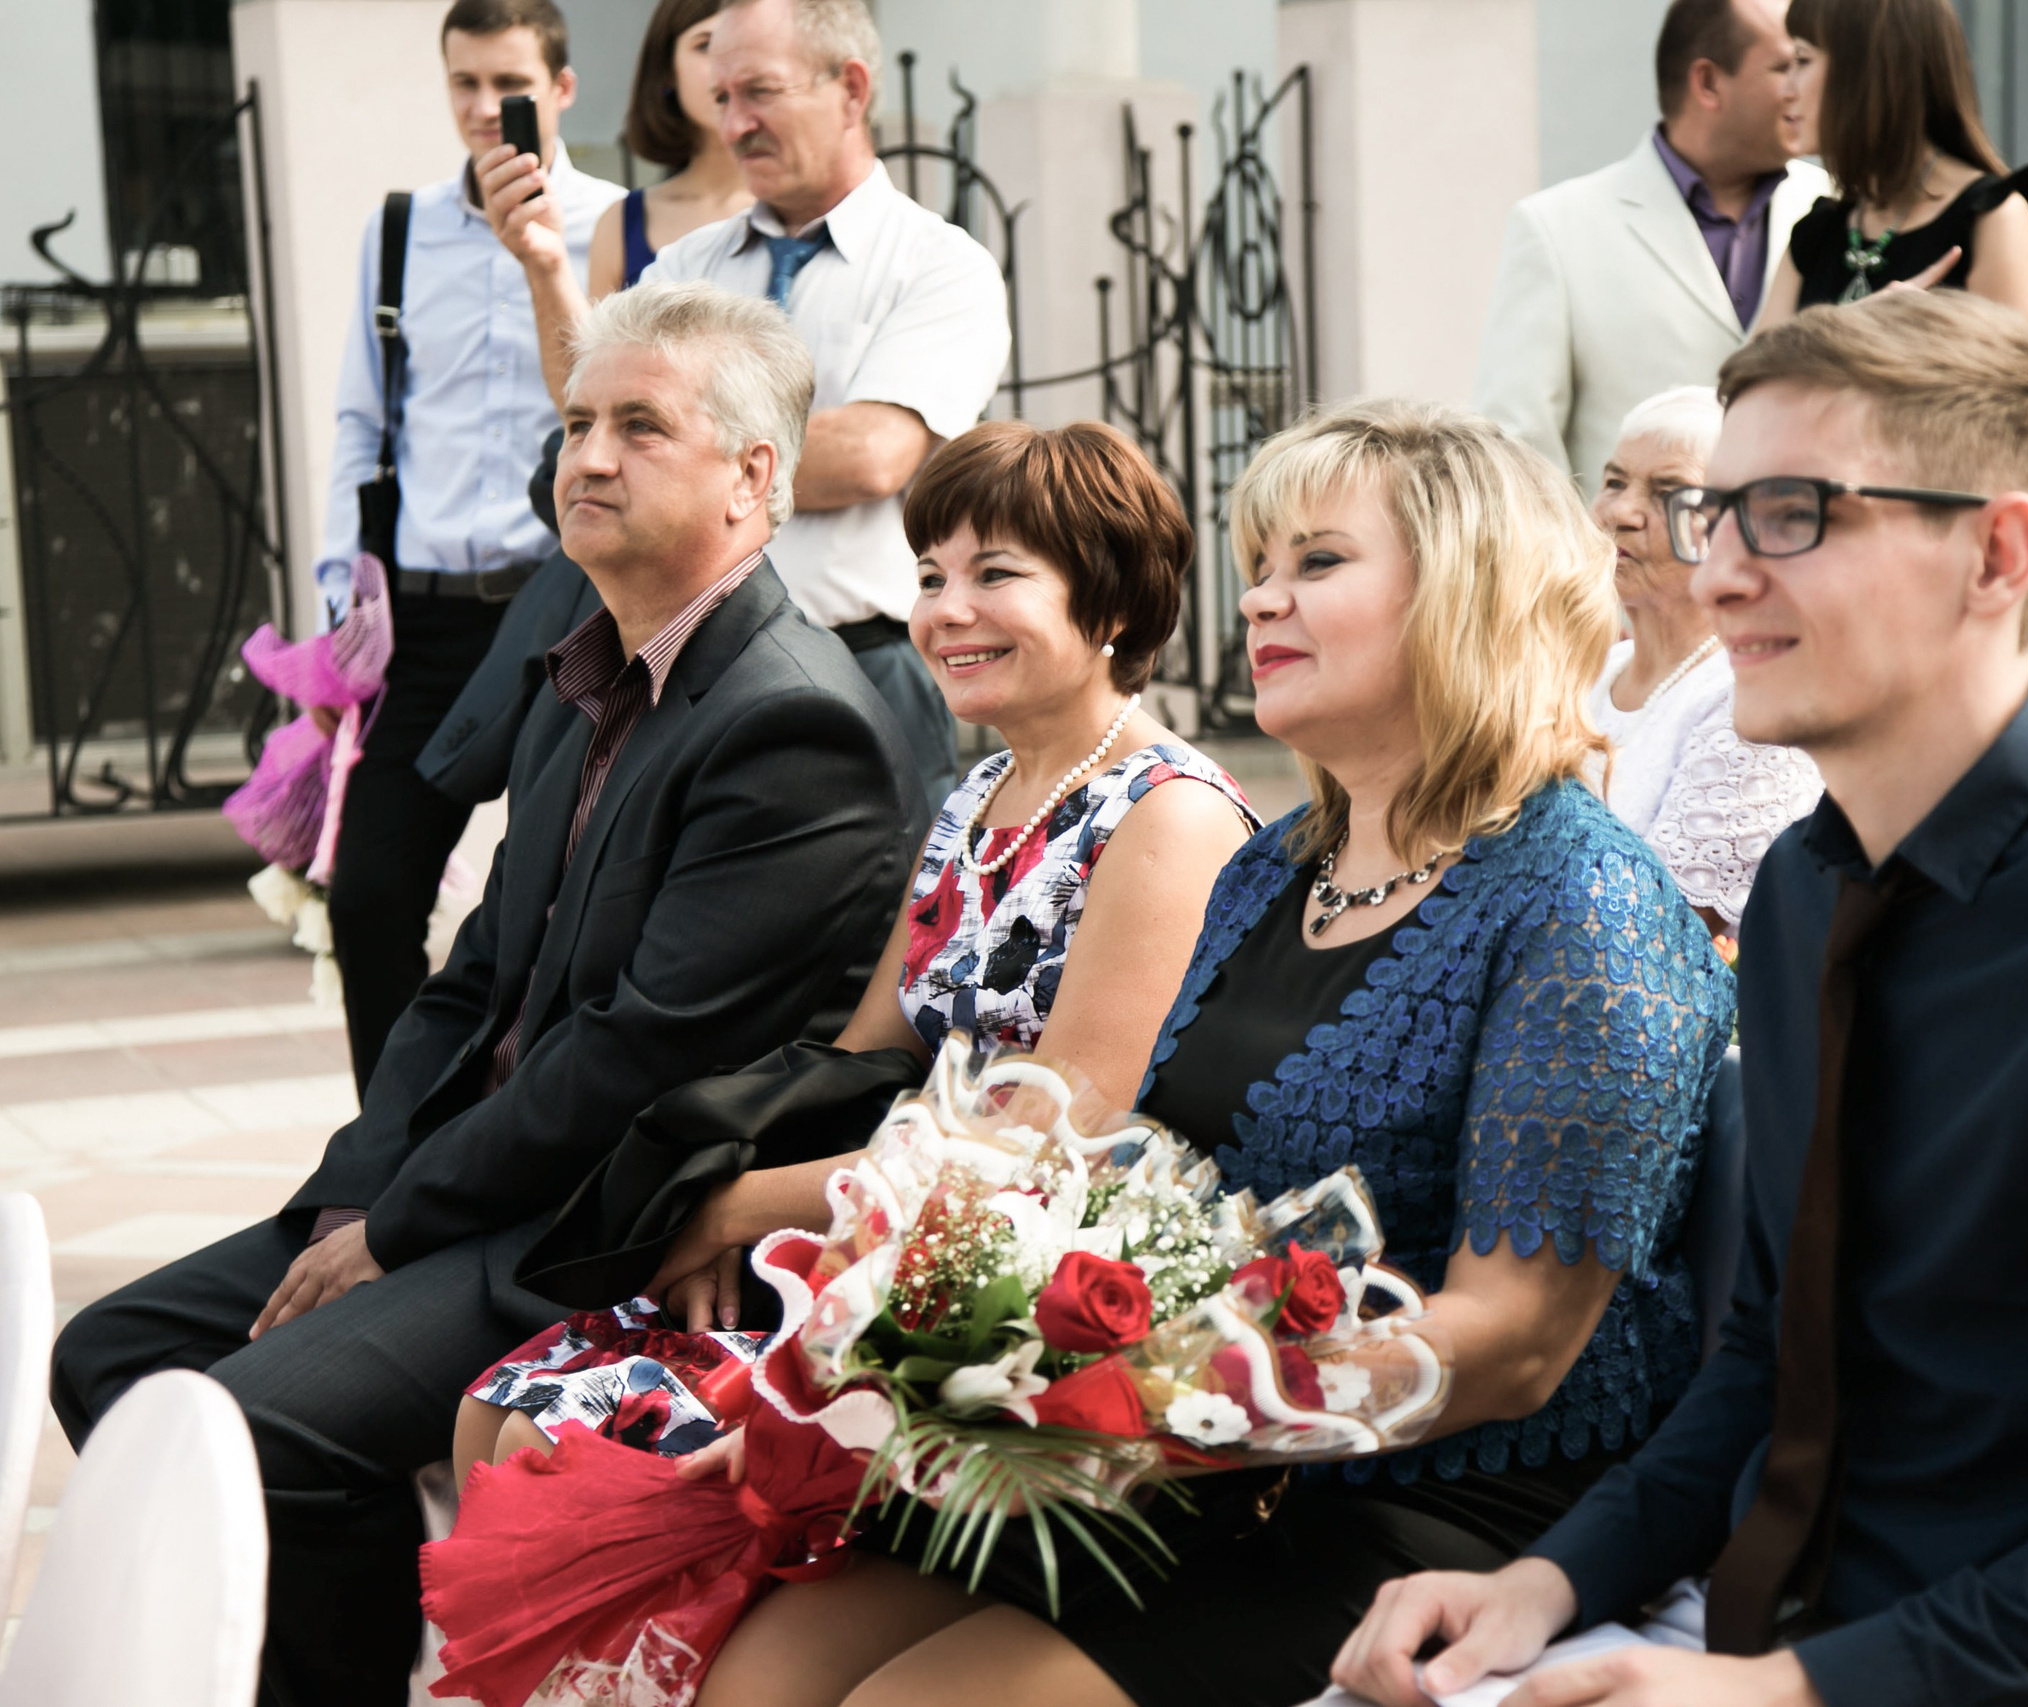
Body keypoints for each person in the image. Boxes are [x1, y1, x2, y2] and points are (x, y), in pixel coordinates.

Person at [1332, 290, 2028, 1707]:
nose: (1725, 572)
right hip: (1744, 1621)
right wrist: (1544, 1582)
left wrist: (1792, 1689)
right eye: (1718, 515)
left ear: (1998, 552)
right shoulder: (1812, 882)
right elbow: (1767, 1356)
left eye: (1795, 514)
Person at [687, 400, 1733, 1707]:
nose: (1260, 599)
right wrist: (918, 1340)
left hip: (1435, 1499)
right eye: (1258, 566)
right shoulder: (1272, 863)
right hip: (1190, 1452)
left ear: (1467, 593)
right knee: (753, 1672)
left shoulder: (1583, 903)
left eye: (1318, 562)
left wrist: (1159, 1399)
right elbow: (1137, 1177)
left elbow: (1514, 1341)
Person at [50, 281, 928, 1707]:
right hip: (470, 1175)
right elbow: (474, 988)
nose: (586, 455)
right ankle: (323, 1631)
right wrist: (354, 1197)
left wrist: (396, 1229)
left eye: (640, 426)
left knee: (247, 1421)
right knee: (114, 1351)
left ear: (757, 475)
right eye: (578, 420)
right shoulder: (580, 665)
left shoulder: (791, 721)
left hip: (586, 1220)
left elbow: (627, 1065)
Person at [452, 419, 1260, 1466]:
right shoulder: (977, 794)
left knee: (565, 1444)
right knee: (500, 1409)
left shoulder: (1165, 812)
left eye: (995, 574)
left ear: (1109, 601)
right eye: (929, 576)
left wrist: (737, 1205)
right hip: (889, 1217)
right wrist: (728, 1193)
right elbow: (863, 1057)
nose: (946, 612)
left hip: (1033, 1284)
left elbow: (1050, 1133)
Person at [489, 0, 1012, 810]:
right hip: (679, 673)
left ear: (851, 87)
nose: (735, 125)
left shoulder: (940, 266)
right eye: (722, 96)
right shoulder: (681, 267)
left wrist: (673, 453)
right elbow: (596, 421)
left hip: (861, 667)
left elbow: (875, 453)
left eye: (759, 92)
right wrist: (544, 266)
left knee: (886, 934)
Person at [312, 0, 622, 1095]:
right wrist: (338, 626)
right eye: (463, 86)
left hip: (572, 607)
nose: (486, 112)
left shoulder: (621, 228)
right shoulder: (396, 231)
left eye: (509, 86)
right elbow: (360, 425)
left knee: (568, 895)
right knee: (369, 893)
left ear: (562, 88)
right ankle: (393, 1147)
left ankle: (535, 1141)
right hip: (432, 617)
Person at [1475, 0, 1828, 496]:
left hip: (1793, 558)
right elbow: (1519, 445)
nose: (1803, 87)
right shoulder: (1557, 228)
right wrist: (1583, 570)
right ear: (1707, 83)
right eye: (1784, 66)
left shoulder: (1840, 209)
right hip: (1618, 568)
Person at [1585, 385, 1821, 930]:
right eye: (1614, 481)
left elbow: (1664, 934)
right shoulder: (1590, 672)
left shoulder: (1748, 700)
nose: (1621, 511)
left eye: (1669, 492)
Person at [1758, 0, 2028, 324]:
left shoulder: (1992, 220)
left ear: (1868, 71)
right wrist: (1846, 329)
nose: (1786, 90)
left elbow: (2010, 374)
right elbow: (1746, 375)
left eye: (1801, 61)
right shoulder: (1819, 231)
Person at [590, 0, 755, 295]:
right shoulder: (621, 222)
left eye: (746, 42)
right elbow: (590, 342)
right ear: (667, 70)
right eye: (705, 45)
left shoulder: (807, 211)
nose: (728, 66)